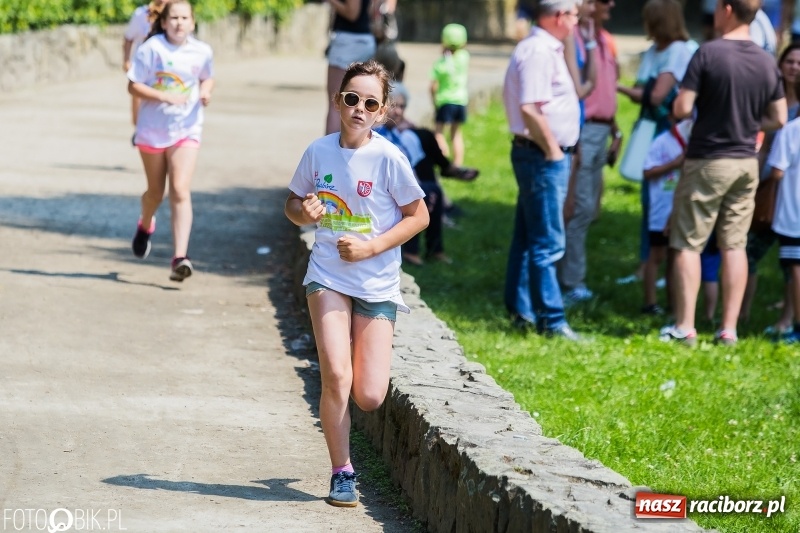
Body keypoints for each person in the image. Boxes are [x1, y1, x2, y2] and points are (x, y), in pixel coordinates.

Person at [284, 60, 428, 507]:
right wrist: (302, 212)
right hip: (327, 275)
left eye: (370, 103)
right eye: (351, 99)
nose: (359, 109)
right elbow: (292, 204)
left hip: (376, 284)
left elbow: (419, 216)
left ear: (382, 111)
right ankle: (341, 472)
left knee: (368, 395)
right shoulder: (318, 152)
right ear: (338, 101)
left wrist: (371, 248)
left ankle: (356, 361)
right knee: (336, 376)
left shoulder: (389, 158)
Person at [666, 0, 787, 346]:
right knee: (734, 245)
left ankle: (685, 326)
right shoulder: (766, 59)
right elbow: (778, 118)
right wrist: (747, 125)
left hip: (707, 159)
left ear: (728, 9)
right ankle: (728, 329)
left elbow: (682, 107)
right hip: (746, 163)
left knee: (689, 243)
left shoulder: (708, 53)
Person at [503, 0, 581, 340]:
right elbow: (530, 108)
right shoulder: (538, 51)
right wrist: (553, 151)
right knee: (548, 242)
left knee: (528, 237)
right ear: (559, 16)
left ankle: (521, 311)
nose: (578, 20)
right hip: (541, 155)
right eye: (575, 14)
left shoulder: (546, 47)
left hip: (539, 154)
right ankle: (552, 320)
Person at [128, 0, 214, 282]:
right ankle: (145, 224)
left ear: (192, 22)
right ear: (163, 22)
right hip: (153, 129)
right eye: (174, 18)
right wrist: (164, 96)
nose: (179, 23)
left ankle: (180, 257)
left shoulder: (202, 51)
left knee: (179, 189)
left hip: (187, 128)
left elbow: (207, 78)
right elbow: (133, 85)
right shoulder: (151, 48)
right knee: (156, 193)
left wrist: (205, 91)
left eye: (184, 18)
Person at [617, 0, 697, 287]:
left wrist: (616, 86)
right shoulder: (654, 51)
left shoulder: (678, 52)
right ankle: (647, 264)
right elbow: (642, 91)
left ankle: (667, 268)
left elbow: (654, 95)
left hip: (670, 133)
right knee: (649, 199)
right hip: (650, 130)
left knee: (667, 198)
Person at [375, 83, 479, 266]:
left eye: (402, 107)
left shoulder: (398, 134)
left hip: (401, 185)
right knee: (421, 194)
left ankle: (435, 250)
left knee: (431, 190)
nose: (399, 112)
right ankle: (412, 251)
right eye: (394, 106)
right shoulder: (376, 134)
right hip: (383, 189)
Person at [559, 0, 621, 304]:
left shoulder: (602, 38)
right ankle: (570, 282)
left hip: (602, 129)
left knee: (588, 210)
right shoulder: (573, 38)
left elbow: (608, 87)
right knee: (577, 208)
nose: (611, 4)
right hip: (584, 130)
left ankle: (569, 278)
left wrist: (616, 129)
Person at [741, 42, 800, 333]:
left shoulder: (795, 121)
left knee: (793, 264)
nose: (794, 67)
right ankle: (741, 314)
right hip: (768, 192)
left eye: (799, 63)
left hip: (791, 196)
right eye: (789, 61)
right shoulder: (770, 101)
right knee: (749, 253)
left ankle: (788, 319)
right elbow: (762, 148)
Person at [641, 118, 691, 315]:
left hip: (681, 207)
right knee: (657, 255)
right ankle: (650, 303)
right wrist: (674, 164)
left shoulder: (692, 140)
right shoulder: (661, 141)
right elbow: (647, 171)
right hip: (661, 209)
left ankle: (673, 304)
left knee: (674, 257)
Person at [765, 76, 800, 344]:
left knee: (796, 270)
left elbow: (777, 171)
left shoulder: (791, 130)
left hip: (793, 214)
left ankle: (798, 327)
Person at [324, 0, 376, 134]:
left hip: (349, 41)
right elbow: (372, 10)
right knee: (357, 101)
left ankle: (330, 147)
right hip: (364, 39)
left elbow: (352, 13)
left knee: (336, 102)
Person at [431, 23, 470, 167]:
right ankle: (457, 164)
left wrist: (434, 101)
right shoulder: (464, 57)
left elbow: (433, 86)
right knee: (456, 133)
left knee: (439, 133)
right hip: (461, 101)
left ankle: (444, 162)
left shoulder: (440, 64)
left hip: (445, 101)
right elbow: (459, 53)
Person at [122, 0, 167, 126]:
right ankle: (139, 130)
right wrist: (126, 60)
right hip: (143, 66)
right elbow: (129, 38)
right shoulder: (141, 14)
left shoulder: (176, 14)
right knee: (138, 100)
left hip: (165, 68)